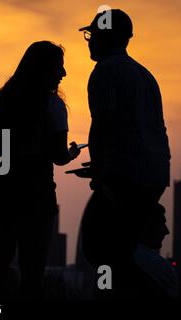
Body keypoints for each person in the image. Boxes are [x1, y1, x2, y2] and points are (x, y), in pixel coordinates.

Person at [78, 9, 171, 298]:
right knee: (121, 247)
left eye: (92, 35)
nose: (89, 41)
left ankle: (146, 291)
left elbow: (103, 124)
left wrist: (100, 174)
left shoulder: (105, 71)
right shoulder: (144, 75)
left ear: (105, 38)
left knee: (100, 248)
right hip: (151, 176)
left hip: (123, 177)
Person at [0, 41, 80, 299]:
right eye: (59, 67)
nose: (63, 74)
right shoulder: (53, 106)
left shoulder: (4, 100)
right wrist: (71, 153)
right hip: (36, 194)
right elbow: (59, 156)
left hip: (1, 192)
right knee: (32, 272)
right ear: (45, 69)